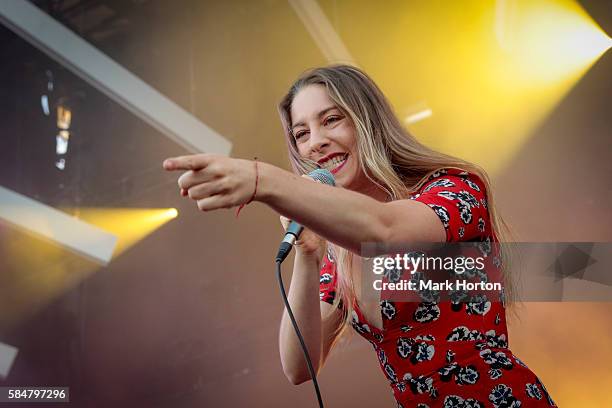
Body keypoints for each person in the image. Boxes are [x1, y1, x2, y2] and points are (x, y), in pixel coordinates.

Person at [163, 65, 556, 407]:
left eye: (331, 120)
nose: (314, 141)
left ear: (366, 121)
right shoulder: (338, 251)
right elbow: (299, 365)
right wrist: (309, 253)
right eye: (301, 134)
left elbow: (385, 231)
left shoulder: (452, 191)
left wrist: (262, 179)